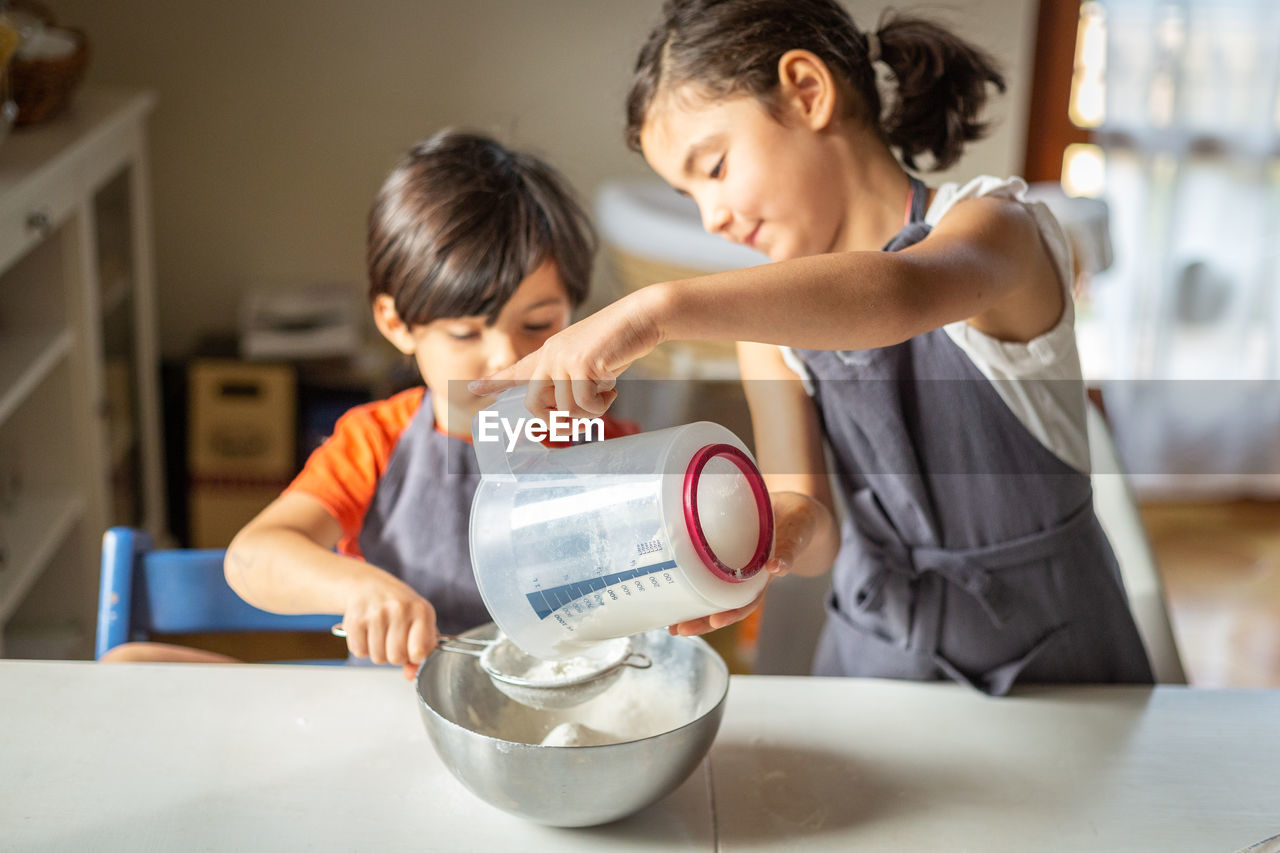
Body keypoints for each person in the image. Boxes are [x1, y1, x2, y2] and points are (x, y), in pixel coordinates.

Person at [472, 0, 1154, 695]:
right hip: (878, 657)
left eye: (712, 167)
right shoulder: (766, 331)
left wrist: (656, 310)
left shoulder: (999, 230)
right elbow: (811, 519)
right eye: (687, 194)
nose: (711, 218)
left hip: (1059, 660)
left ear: (807, 90)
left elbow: (897, 294)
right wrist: (754, 546)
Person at [103, 130, 636, 677]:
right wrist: (360, 587)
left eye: (538, 324)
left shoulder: (609, 447)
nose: (506, 356)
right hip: (392, 705)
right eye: (462, 332)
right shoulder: (376, 441)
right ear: (397, 324)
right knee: (129, 664)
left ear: (574, 313)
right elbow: (252, 557)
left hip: (560, 708)